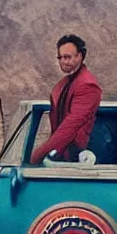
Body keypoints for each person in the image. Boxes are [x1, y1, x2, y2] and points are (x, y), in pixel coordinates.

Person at [30, 34, 103, 164]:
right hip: (63, 154)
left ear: (80, 56)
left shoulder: (87, 85)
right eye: (61, 57)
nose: (64, 61)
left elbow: (70, 126)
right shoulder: (65, 83)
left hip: (81, 158)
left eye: (68, 57)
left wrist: (38, 155)